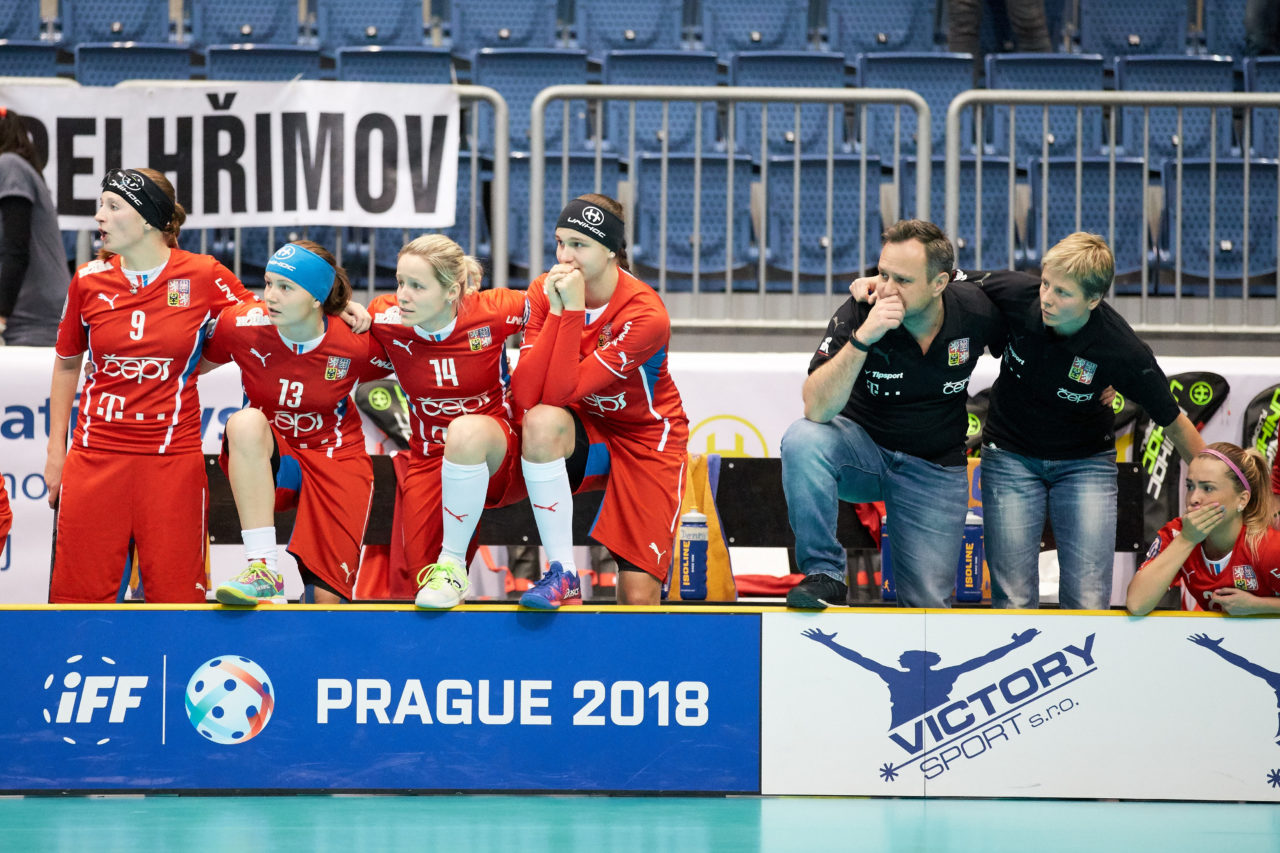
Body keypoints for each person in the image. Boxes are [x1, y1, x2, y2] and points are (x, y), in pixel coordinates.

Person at [44, 167, 256, 603]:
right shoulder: (88, 280)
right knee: (78, 601)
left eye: (112, 205)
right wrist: (55, 452)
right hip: (94, 457)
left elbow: (263, 321)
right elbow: (67, 365)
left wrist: (341, 307)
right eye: (100, 205)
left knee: (177, 601)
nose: (99, 216)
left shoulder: (203, 275)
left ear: (147, 219)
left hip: (171, 462)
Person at [965, 232, 1205, 611]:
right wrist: (877, 285)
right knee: (1011, 599)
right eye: (1045, 283)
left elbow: (1174, 422)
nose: (1046, 297)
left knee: (1088, 600)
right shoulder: (1015, 292)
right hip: (1008, 457)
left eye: (1062, 292)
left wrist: (1226, 483)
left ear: (1093, 300)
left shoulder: (1122, 350)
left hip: (1084, 464)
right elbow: (941, 277)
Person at [781, 219, 1005, 610]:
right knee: (802, 439)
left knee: (927, 610)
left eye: (901, 279)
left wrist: (1099, 379)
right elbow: (816, 408)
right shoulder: (861, 309)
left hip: (934, 465)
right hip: (862, 455)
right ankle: (825, 575)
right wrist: (863, 337)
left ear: (940, 283)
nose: (885, 288)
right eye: (882, 274)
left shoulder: (976, 311)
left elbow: (1033, 335)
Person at [512, 193, 689, 609]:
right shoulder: (544, 290)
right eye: (560, 242)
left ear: (612, 250)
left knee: (637, 594)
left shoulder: (646, 315)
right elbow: (525, 396)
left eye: (579, 244)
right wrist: (559, 311)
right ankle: (563, 574)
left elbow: (563, 390)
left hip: (647, 438)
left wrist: (569, 313)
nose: (565, 256)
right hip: (590, 431)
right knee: (538, 422)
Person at [201, 241, 388, 606]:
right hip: (274, 460)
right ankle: (262, 569)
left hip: (336, 458)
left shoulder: (357, 342)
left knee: (326, 604)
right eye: (268, 283)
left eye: (286, 288)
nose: (270, 296)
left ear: (318, 298)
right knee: (244, 422)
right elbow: (187, 366)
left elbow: (421, 358)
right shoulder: (241, 324)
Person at [367, 234, 529, 609]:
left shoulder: (494, 309)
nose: (402, 294)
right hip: (429, 457)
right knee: (421, 586)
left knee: (465, 429)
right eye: (400, 282)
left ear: (452, 291)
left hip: (499, 456)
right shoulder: (385, 317)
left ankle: (454, 564)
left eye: (417, 286)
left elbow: (555, 304)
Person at [1127, 442, 1280, 616]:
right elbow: (1137, 604)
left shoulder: (1268, 547)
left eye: (1208, 488)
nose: (1194, 498)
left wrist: (1258, 606)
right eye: (1190, 486)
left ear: (1242, 500)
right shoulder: (1178, 534)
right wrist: (1187, 540)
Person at [0, 107, 67, 346]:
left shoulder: (9, 166)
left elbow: (16, 249)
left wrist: (1, 315)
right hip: (29, 319)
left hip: (35, 322)